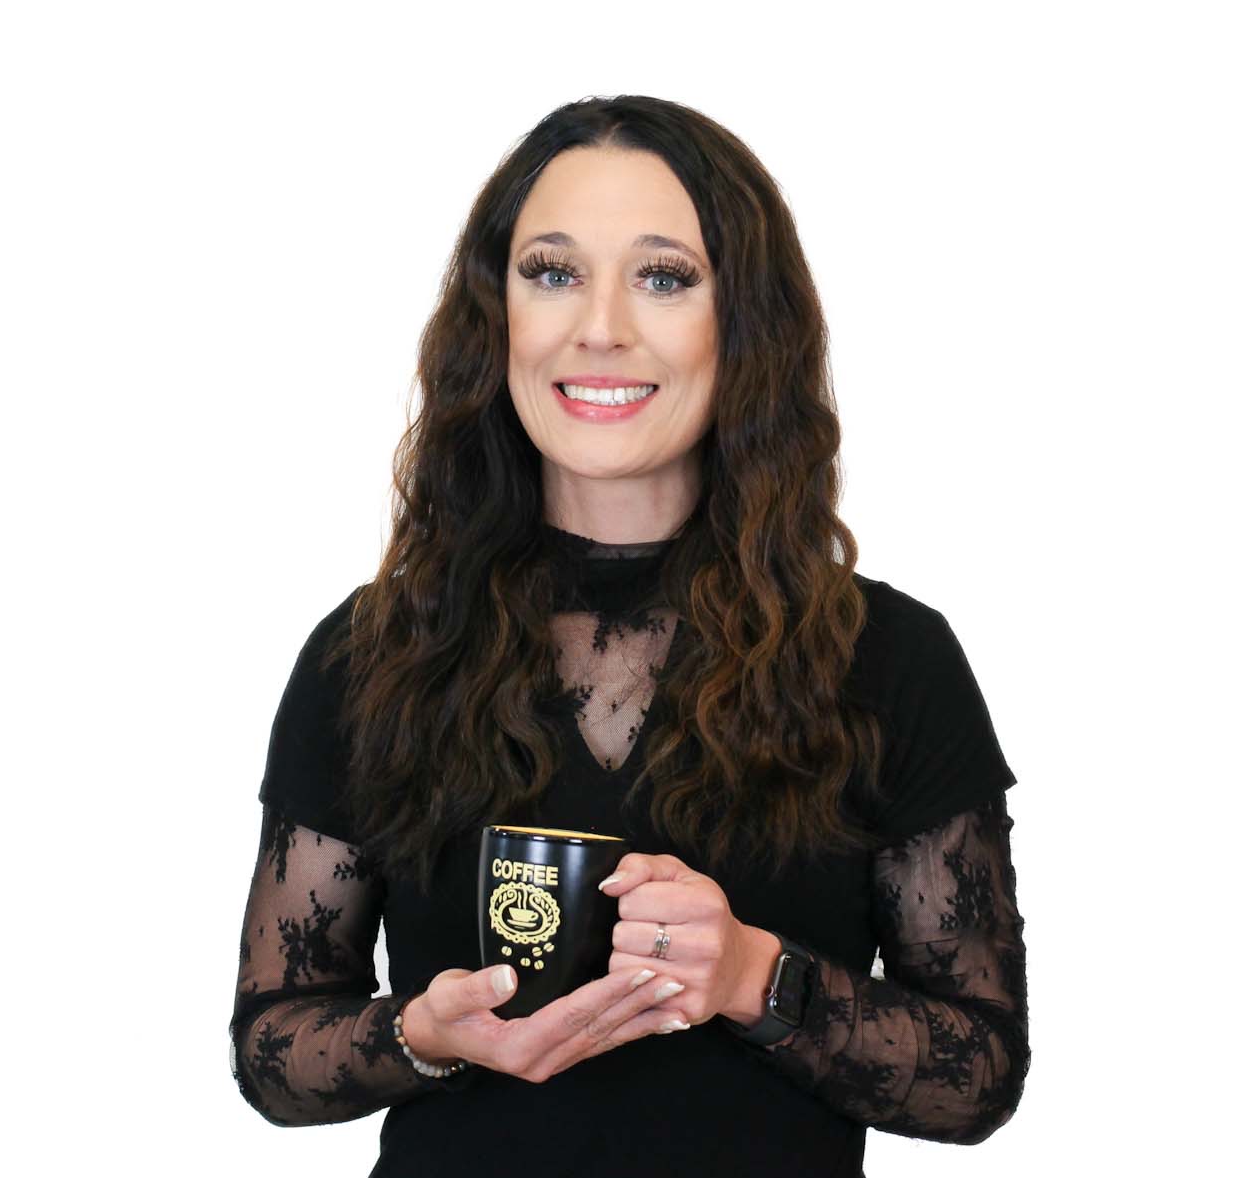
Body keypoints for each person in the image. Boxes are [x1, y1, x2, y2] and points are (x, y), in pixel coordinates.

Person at [228, 94, 1030, 1176]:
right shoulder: (372, 649)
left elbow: (976, 1075)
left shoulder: (887, 656)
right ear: (495, 315)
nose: (598, 324)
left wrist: (755, 976)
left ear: (742, 321)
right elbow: (275, 1048)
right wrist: (420, 1035)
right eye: (552, 272)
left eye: (663, 276)